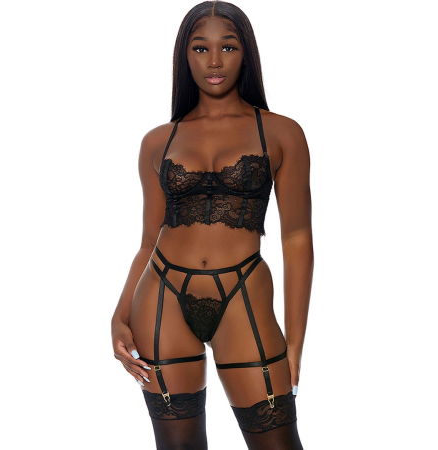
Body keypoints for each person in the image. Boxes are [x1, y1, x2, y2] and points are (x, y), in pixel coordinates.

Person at [111, 2, 313, 449]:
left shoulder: (282, 133)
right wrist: (119, 315)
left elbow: (297, 238)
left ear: (247, 54)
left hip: (243, 292)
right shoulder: (157, 141)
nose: (215, 61)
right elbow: (148, 241)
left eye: (229, 47)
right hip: (161, 293)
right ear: (185, 55)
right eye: (201, 48)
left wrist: (295, 344)